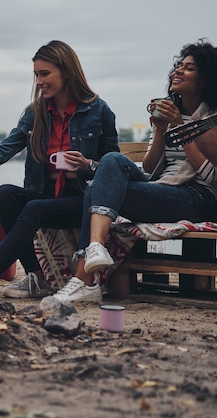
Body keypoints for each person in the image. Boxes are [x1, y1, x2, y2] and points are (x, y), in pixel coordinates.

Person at [0, 40, 119, 303]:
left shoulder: (98, 111)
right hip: (45, 196)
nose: (39, 81)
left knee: (34, 209)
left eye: (45, 74)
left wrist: (88, 165)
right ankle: (37, 277)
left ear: (66, 72)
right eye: (36, 75)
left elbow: (112, 169)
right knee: (5, 194)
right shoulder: (34, 115)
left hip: (81, 202)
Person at [54, 40, 217, 303]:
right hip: (162, 188)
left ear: (206, 79)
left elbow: (211, 177)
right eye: (178, 66)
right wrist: (161, 131)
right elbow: (151, 170)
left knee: (97, 189)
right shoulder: (167, 111)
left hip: (197, 197)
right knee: (112, 161)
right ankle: (95, 248)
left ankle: (83, 278)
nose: (178, 71)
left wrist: (180, 128)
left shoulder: (212, 120)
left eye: (189, 68)